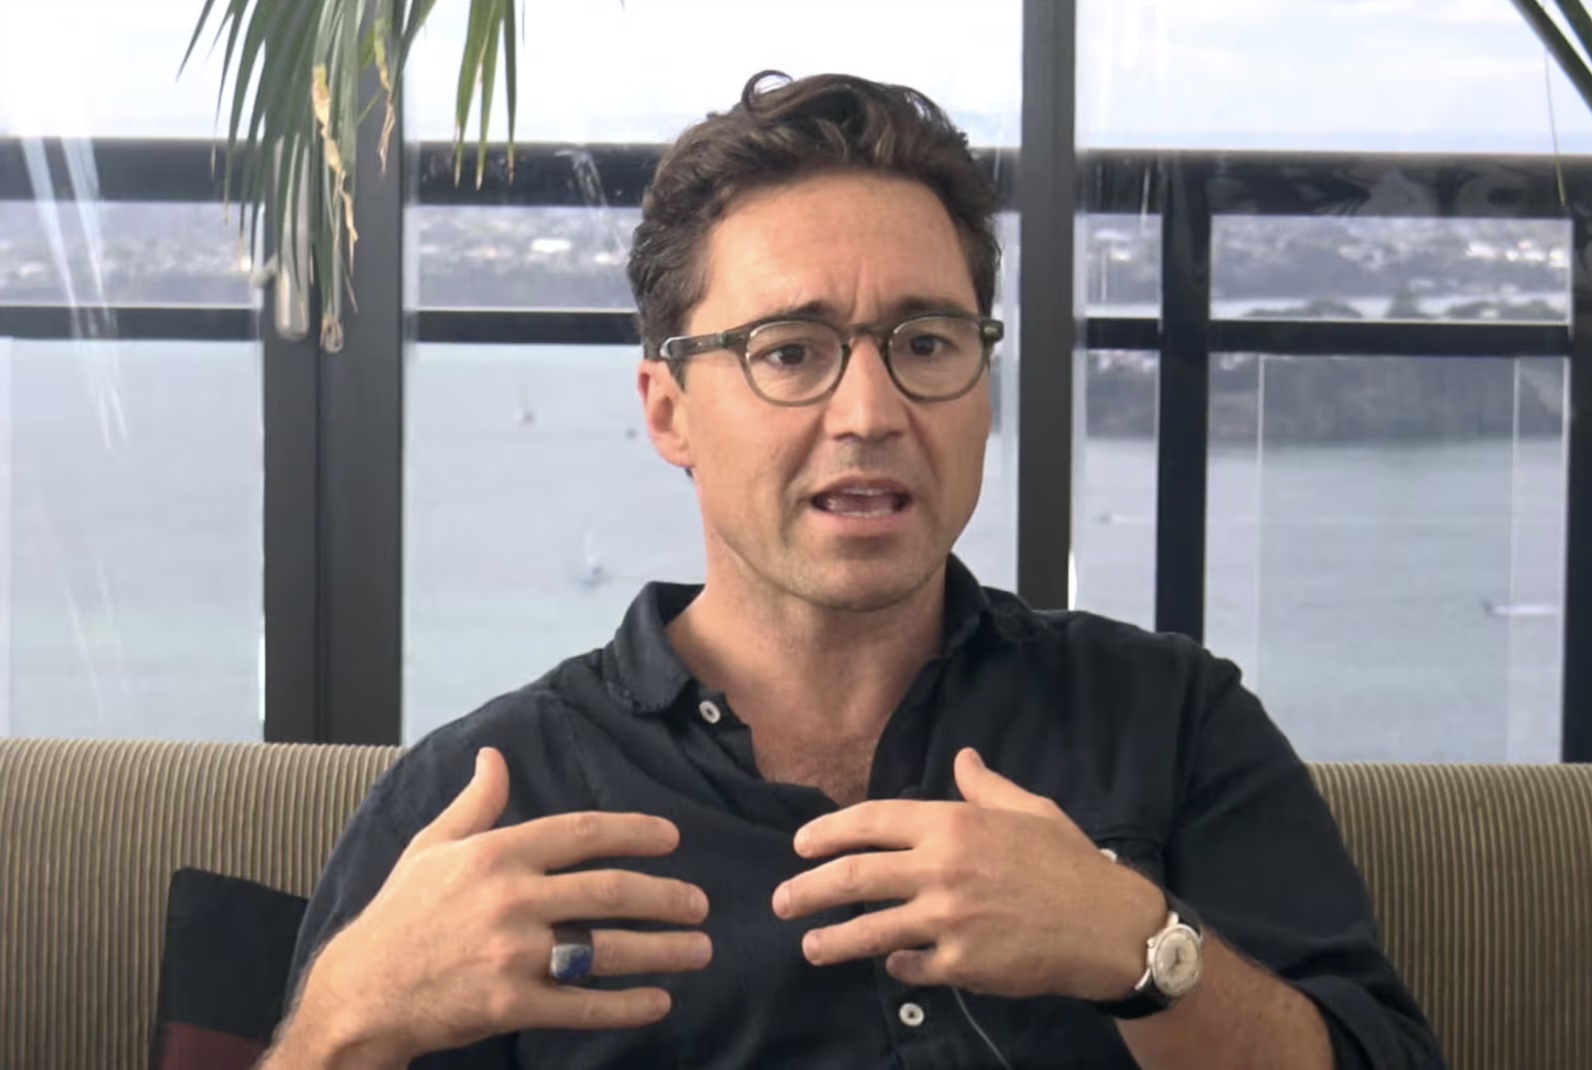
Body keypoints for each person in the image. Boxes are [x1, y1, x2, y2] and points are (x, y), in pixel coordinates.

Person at [265, 71, 1446, 1070]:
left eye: (925, 343)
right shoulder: (491, 793)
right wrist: (344, 1021)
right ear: (669, 410)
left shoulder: (1167, 719)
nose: (872, 410)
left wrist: (1139, 947)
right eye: (790, 352)